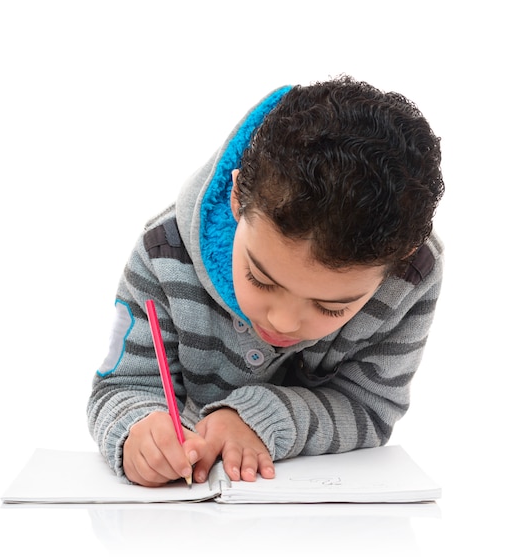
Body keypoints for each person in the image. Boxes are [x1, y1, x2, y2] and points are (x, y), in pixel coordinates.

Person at [87, 76, 445, 487]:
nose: (284, 321)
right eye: (260, 278)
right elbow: (119, 386)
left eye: (331, 306)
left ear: (397, 264)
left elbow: (370, 407)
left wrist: (260, 415)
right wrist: (135, 431)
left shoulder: (412, 276)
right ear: (238, 197)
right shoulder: (162, 255)